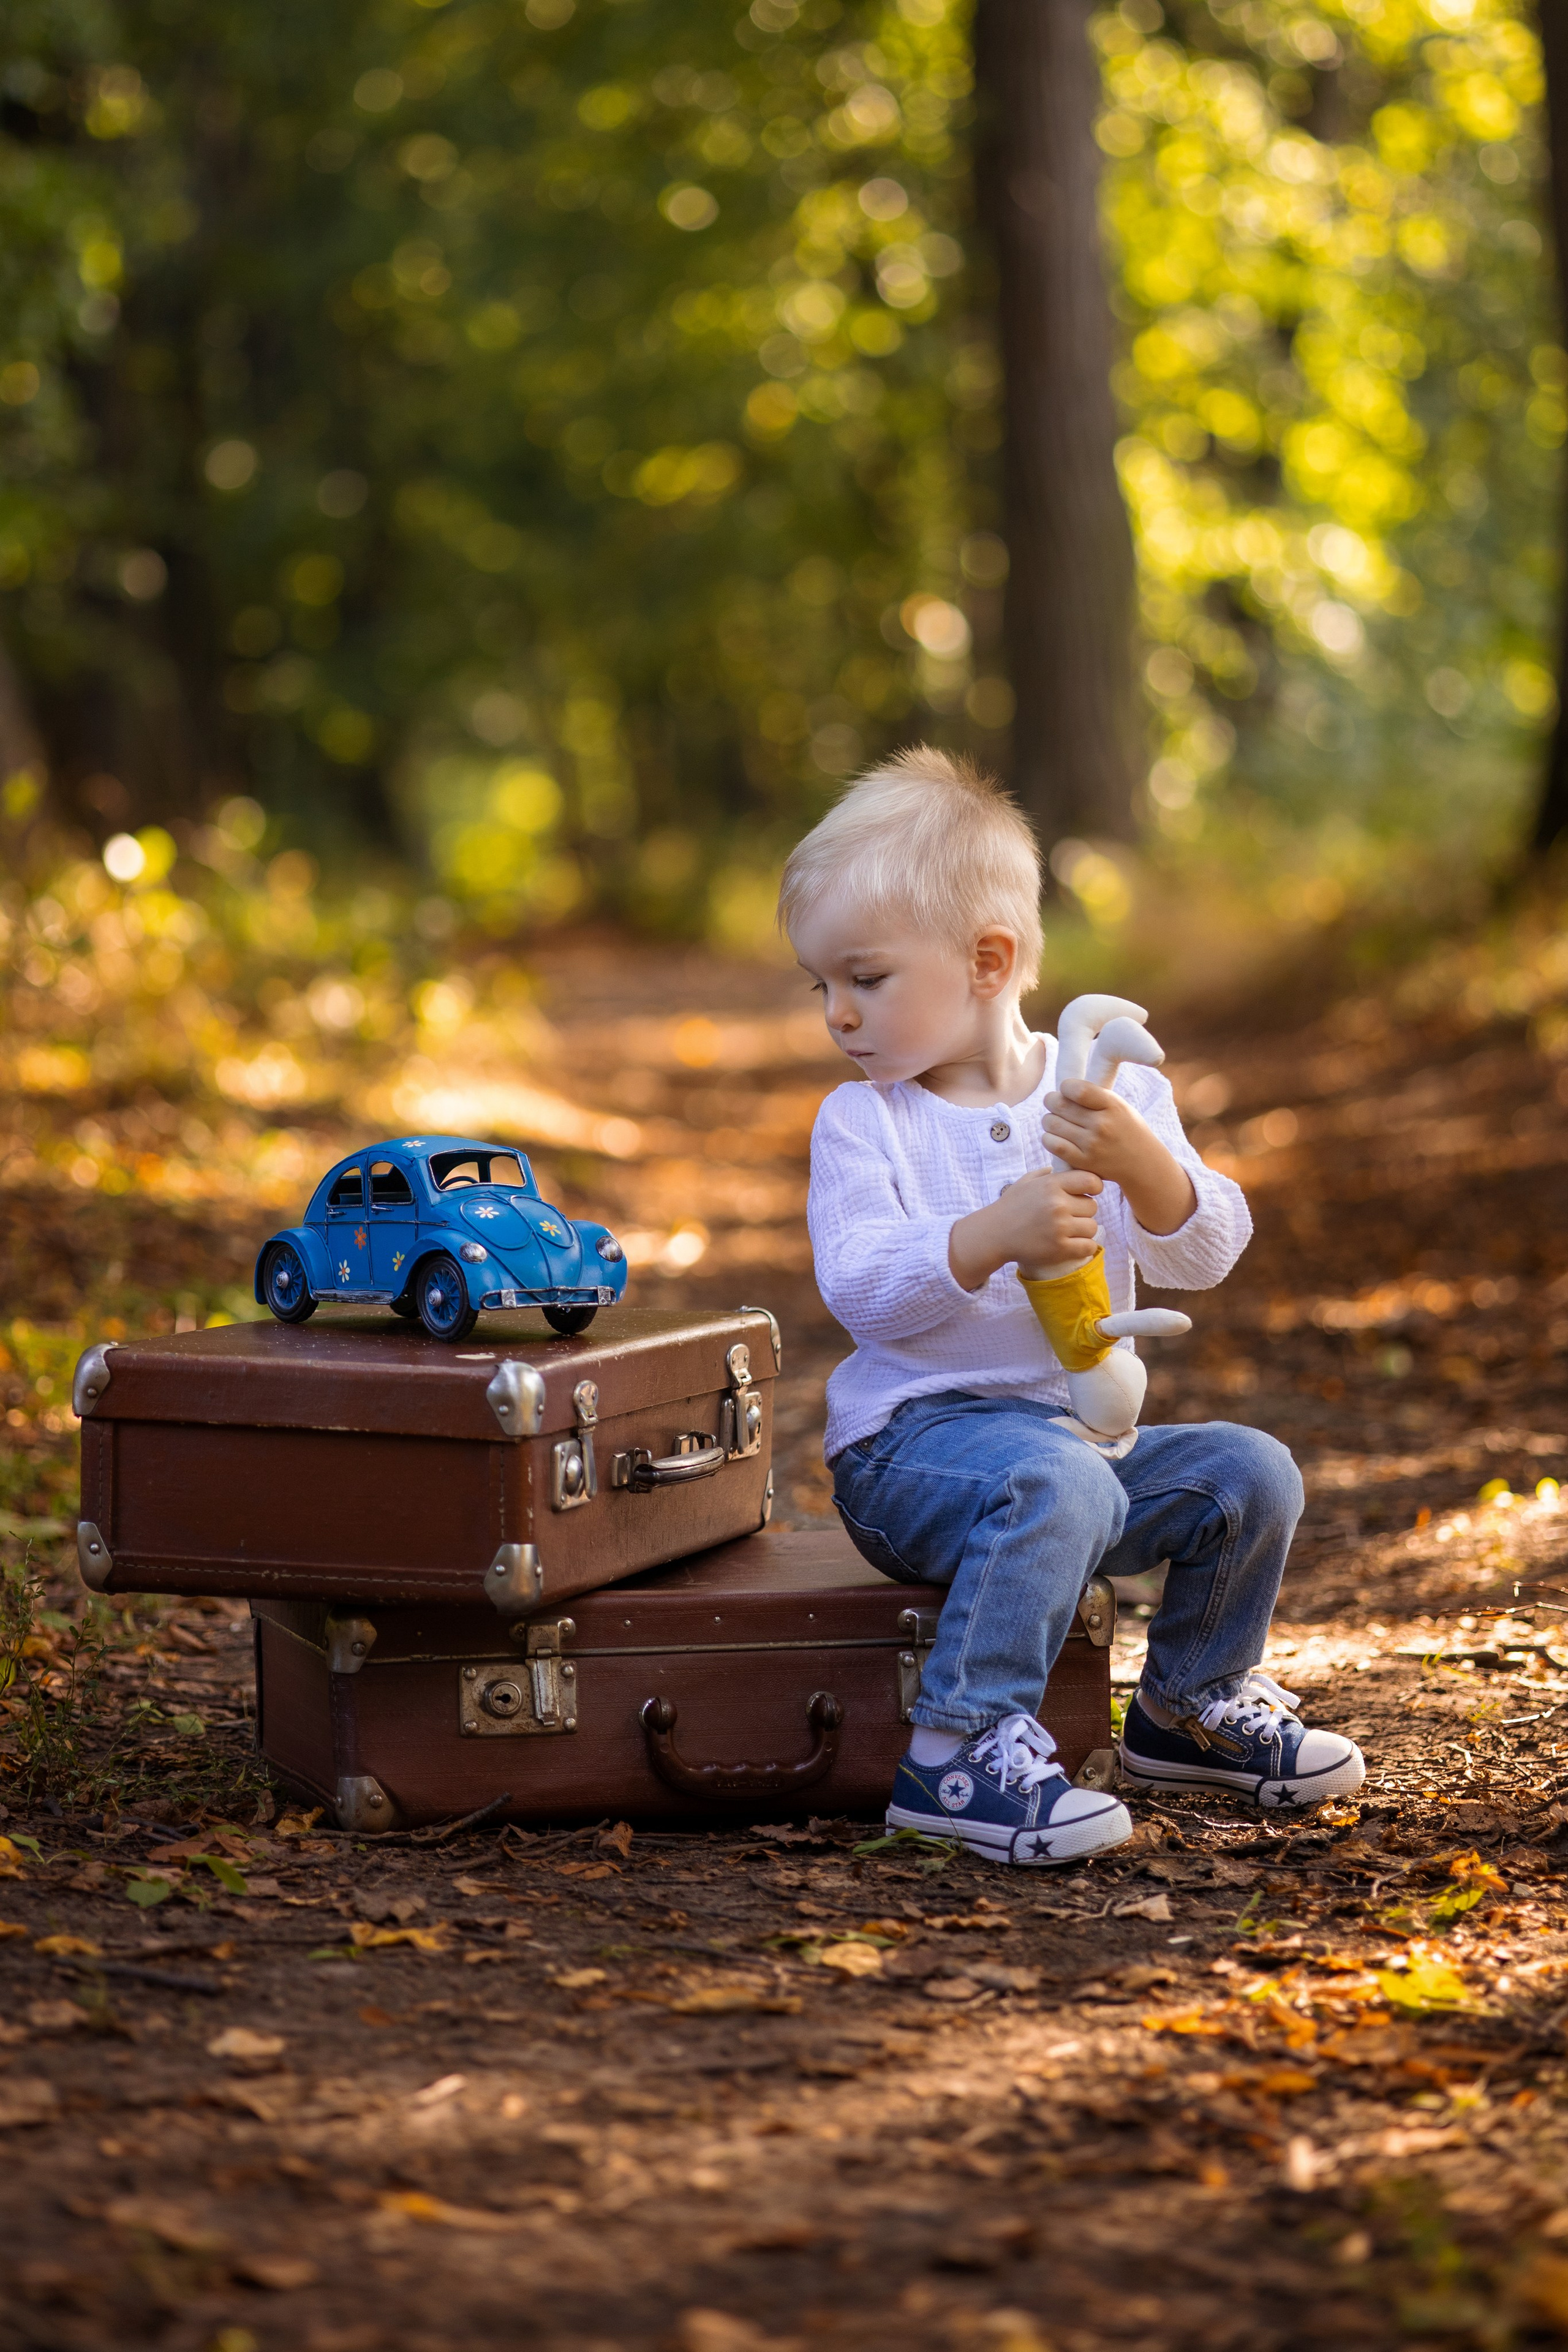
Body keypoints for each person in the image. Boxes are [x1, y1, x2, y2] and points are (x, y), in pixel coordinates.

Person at [781, 747, 1365, 1867]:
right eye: (822, 986)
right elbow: (857, 1287)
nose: (838, 1016)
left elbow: (1207, 1250)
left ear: (988, 960)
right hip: (916, 1454)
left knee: (1251, 1472)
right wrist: (981, 1237)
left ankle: (1187, 1706)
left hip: (1087, 1452)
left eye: (865, 978)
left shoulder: (1107, 1091)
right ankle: (955, 1751)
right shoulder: (866, 1123)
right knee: (1053, 1482)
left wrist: (1147, 1165)